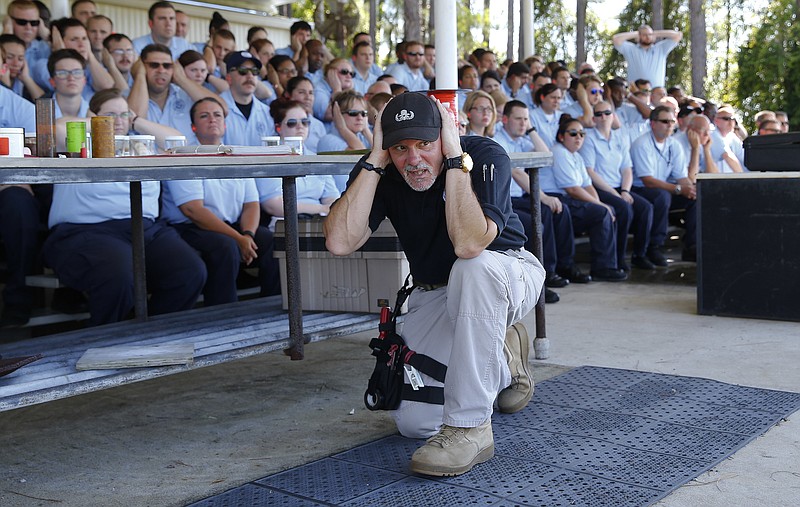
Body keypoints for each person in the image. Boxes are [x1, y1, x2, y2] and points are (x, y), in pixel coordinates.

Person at [323, 92, 545, 477]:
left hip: (505, 272)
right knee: (416, 424)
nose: (413, 159)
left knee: (471, 268)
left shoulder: (484, 155)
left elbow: (469, 243)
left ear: (444, 135)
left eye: (425, 144)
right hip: (434, 290)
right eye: (400, 147)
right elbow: (341, 241)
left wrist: (456, 159)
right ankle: (506, 358)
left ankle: (470, 426)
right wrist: (374, 160)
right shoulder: (381, 166)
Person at [161, 97, 279, 304]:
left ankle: (271, 305)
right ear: (193, 127)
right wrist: (239, 238)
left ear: (225, 124)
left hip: (232, 225)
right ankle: (223, 313)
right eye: (204, 116)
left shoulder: (237, 155)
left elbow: (251, 204)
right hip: (191, 227)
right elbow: (193, 210)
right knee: (225, 246)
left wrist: (248, 234)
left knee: (271, 240)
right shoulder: (184, 156)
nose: (212, 120)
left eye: (217, 115)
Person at [492, 99, 566, 303]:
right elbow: (516, 173)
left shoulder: (522, 140)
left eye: (526, 119)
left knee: (549, 212)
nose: (523, 123)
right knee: (536, 221)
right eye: (518, 119)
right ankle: (537, 282)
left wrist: (531, 129)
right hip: (504, 200)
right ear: (505, 120)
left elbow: (545, 155)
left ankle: (548, 272)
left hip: (519, 196)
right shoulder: (499, 139)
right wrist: (543, 196)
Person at [580, 100, 655, 270]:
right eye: (599, 114)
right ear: (594, 118)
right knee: (624, 209)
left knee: (646, 208)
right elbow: (590, 172)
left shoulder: (619, 137)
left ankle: (639, 255)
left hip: (620, 187)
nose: (603, 117)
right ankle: (618, 258)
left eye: (607, 113)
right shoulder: (588, 138)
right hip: (598, 188)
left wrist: (625, 190)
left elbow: (627, 168)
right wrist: (615, 193)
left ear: (613, 116)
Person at [550, 114, 627, 281]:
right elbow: (573, 190)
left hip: (571, 199)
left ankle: (610, 263)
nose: (578, 137)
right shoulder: (559, 152)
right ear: (561, 136)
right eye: (573, 133)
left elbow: (587, 185)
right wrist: (601, 207)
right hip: (557, 199)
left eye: (581, 134)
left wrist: (600, 204)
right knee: (602, 212)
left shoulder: (576, 156)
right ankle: (603, 267)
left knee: (608, 210)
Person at [630, 105, 696, 263]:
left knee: (695, 199)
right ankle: (654, 247)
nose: (670, 125)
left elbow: (681, 176)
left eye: (672, 122)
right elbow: (648, 180)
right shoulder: (642, 144)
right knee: (662, 196)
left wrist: (690, 189)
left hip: (665, 188)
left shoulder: (674, 145)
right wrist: (680, 189)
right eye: (665, 121)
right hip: (640, 189)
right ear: (653, 123)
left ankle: (692, 247)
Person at [259, 98, 339, 219]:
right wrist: (321, 209)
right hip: (284, 222)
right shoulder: (268, 156)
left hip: (321, 220)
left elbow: (332, 196)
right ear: (278, 128)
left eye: (305, 122)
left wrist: (329, 209)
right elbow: (272, 204)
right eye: (292, 123)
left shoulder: (315, 158)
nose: (300, 127)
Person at [219, 50, 275, 146]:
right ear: (228, 77)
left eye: (254, 71)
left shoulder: (267, 112)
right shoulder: (216, 109)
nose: (250, 76)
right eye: (243, 71)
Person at [612, 24, 682, 88]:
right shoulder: (630, 49)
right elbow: (616, 39)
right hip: (636, 94)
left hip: (657, 94)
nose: (648, 37)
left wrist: (654, 33)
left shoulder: (661, 49)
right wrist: (637, 33)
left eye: (650, 35)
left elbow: (678, 36)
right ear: (639, 36)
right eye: (644, 35)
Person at [0, 33, 44, 100]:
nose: (16, 63)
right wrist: (5, 84)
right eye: (9, 57)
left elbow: (45, 108)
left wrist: (26, 79)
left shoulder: (22, 84)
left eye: (20, 59)